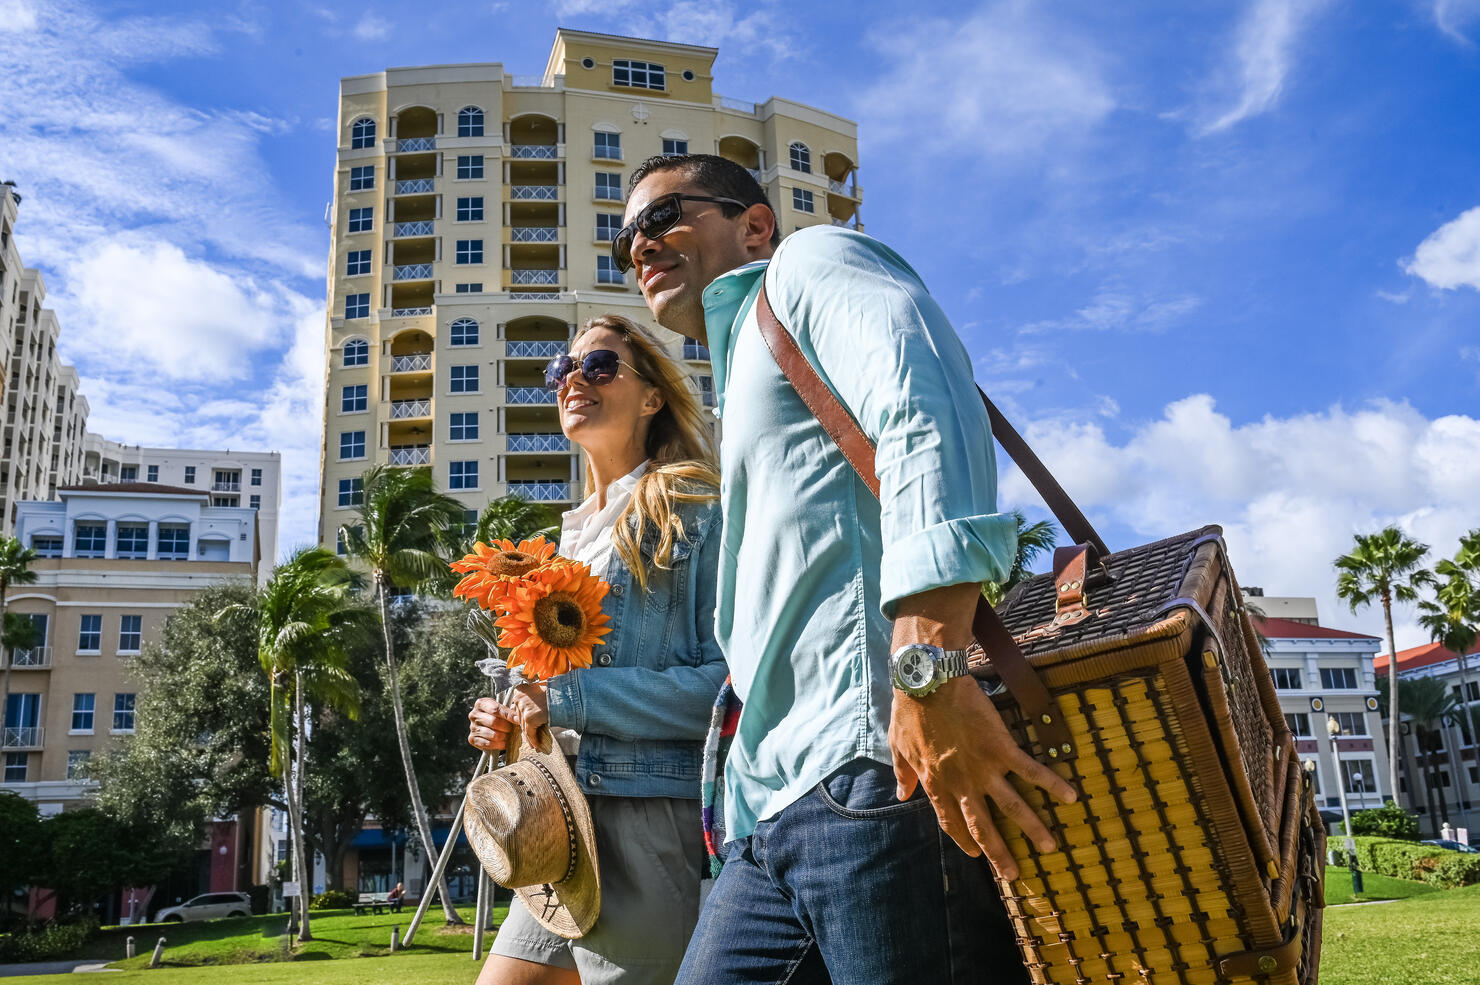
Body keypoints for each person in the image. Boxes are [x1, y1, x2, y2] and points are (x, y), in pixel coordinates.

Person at [612, 154, 1080, 984]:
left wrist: (927, 672)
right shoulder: (738, 366)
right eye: (624, 242)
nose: (639, 246)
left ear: (755, 223)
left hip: (873, 768)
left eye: (662, 217)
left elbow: (924, 399)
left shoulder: (809, 263)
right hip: (767, 810)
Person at [465, 315, 726, 985]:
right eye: (562, 369)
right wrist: (512, 720)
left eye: (599, 366)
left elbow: (729, 690)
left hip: (647, 822)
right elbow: (549, 692)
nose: (572, 379)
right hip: (560, 824)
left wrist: (567, 697)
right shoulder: (571, 538)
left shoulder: (689, 512)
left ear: (652, 396)